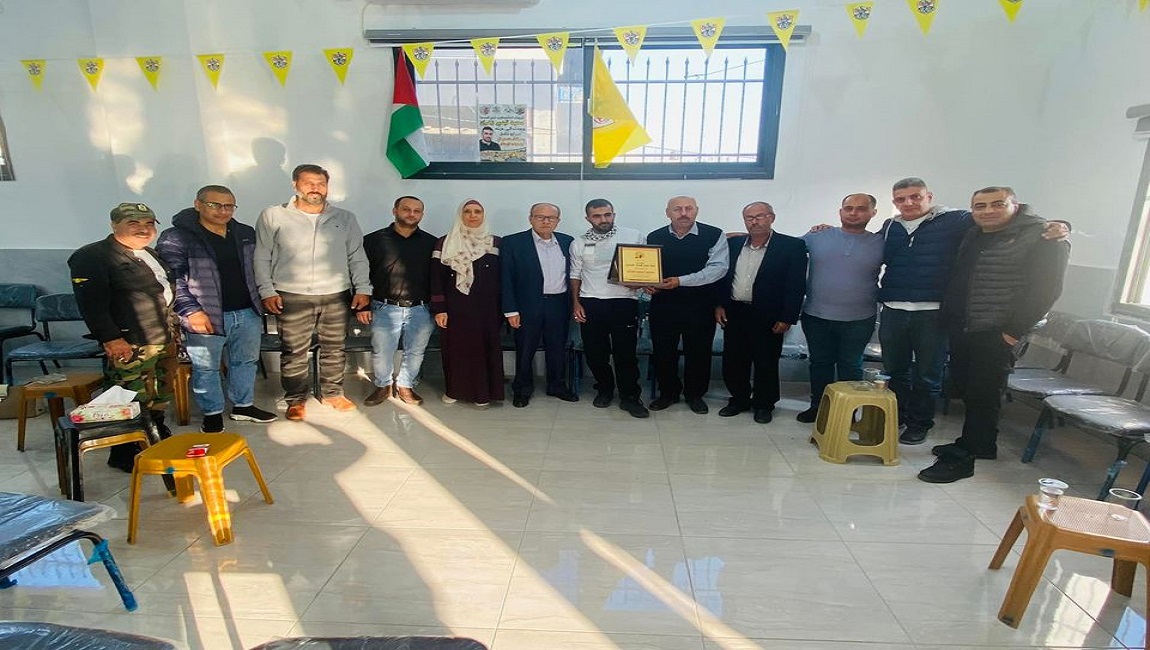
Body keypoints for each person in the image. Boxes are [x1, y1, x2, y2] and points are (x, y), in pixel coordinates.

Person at [877, 177, 1068, 445]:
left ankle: (919, 423)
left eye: (915, 196)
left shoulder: (956, 220)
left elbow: (1006, 220)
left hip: (934, 312)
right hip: (893, 309)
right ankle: (896, 416)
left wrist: (1060, 225)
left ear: (929, 197)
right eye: (901, 199)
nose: (908, 203)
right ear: (894, 202)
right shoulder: (890, 227)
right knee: (895, 370)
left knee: (927, 374)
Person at [918, 187, 1070, 483]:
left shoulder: (1043, 237)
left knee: (984, 392)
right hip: (965, 326)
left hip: (997, 330)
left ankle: (969, 455)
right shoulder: (975, 234)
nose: (988, 211)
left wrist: (1012, 333)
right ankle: (979, 444)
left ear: (1015, 205)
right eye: (980, 206)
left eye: (997, 204)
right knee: (967, 388)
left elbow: (1047, 291)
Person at [253, 164, 372, 422]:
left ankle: (333, 394)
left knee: (335, 349)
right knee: (294, 351)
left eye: (321, 184)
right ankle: (296, 399)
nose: (315, 188)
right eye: (308, 183)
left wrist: (363, 288)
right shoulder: (273, 216)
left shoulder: (345, 218)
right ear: (295, 185)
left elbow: (357, 256)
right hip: (291, 294)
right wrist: (266, 290)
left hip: (336, 294)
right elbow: (262, 256)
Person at [157, 185, 277, 433]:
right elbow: (172, 279)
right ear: (198, 204)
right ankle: (212, 413)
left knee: (245, 361)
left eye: (229, 206)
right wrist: (190, 310)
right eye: (215, 205)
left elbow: (258, 267)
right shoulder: (177, 237)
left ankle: (243, 406)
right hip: (205, 313)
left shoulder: (244, 232)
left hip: (247, 310)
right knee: (206, 367)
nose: (223, 211)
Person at [68, 202, 178, 472]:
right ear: (114, 225)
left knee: (158, 391)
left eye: (149, 223)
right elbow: (92, 304)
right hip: (129, 341)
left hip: (161, 336)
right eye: (134, 223)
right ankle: (124, 451)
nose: (143, 229)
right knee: (127, 395)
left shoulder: (149, 253)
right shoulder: (93, 256)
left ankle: (153, 434)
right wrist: (111, 338)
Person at [714, 202, 807, 423]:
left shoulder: (791, 246)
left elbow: (796, 285)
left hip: (769, 314)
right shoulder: (733, 244)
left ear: (771, 218)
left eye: (759, 216)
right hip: (735, 311)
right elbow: (721, 276)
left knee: (766, 361)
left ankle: (764, 405)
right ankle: (739, 399)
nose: (754, 221)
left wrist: (788, 317)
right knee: (734, 359)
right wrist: (718, 304)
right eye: (749, 218)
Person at [796, 193, 884, 423]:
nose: (853, 213)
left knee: (850, 365)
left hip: (860, 318)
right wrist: (739, 236)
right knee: (820, 364)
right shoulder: (818, 236)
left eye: (861, 208)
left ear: (873, 213)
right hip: (816, 315)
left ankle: (848, 412)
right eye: (848, 208)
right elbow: (783, 248)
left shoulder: (881, 242)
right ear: (840, 211)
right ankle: (818, 408)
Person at [644, 196, 730, 414]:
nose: (683, 213)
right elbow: (648, 269)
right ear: (668, 213)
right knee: (663, 352)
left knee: (699, 353)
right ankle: (668, 393)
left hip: (700, 305)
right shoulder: (654, 236)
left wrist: (680, 281)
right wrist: (647, 284)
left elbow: (718, 269)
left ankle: (695, 395)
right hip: (663, 305)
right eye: (677, 209)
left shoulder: (714, 234)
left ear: (696, 211)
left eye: (688, 208)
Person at [570, 198, 649, 419]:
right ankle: (604, 389)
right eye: (597, 216)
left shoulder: (633, 236)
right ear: (588, 218)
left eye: (607, 214)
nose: (603, 219)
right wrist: (576, 302)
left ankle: (630, 397)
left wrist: (642, 282)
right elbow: (575, 275)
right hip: (591, 302)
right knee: (596, 354)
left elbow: (645, 266)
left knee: (626, 354)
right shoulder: (579, 243)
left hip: (624, 302)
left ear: (614, 215)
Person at [360, 196, 438, 407]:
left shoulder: (432, 243)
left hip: (421, 308)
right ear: (395, 211)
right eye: (406, 209)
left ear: (422, 215)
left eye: (417, 211)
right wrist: (363, 305)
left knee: (415, 351)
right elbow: (361, 275)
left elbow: (438, 278)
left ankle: (405, 385)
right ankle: (383, 385)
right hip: (384, 306)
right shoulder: (373, 240)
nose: (411, 214)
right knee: (382, 351)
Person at [501, 203, 577, 407]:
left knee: (557, 347)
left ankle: (557, 386)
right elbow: (506, 278)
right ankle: (522, 389)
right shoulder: (513, 242)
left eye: (551, 218)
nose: (545, 221)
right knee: (525, 348)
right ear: (531, 219)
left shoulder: (567, 241)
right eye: (540, 217)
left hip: (559, 303)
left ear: (558, 221)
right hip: (527, 305)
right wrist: (510, 310)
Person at [430, 199, 504, 406]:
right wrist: (440, 309)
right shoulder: (445, 242)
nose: (472, 215)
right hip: (455, 309)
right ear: (460, 215)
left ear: (483, 215)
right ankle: (454, 391)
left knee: (486, 350)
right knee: (456, 351)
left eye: (477, 211)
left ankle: (484, 394)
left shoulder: (495, 243)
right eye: (467, 211)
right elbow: (436, 278)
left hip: (488, 310)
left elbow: (504, 278)